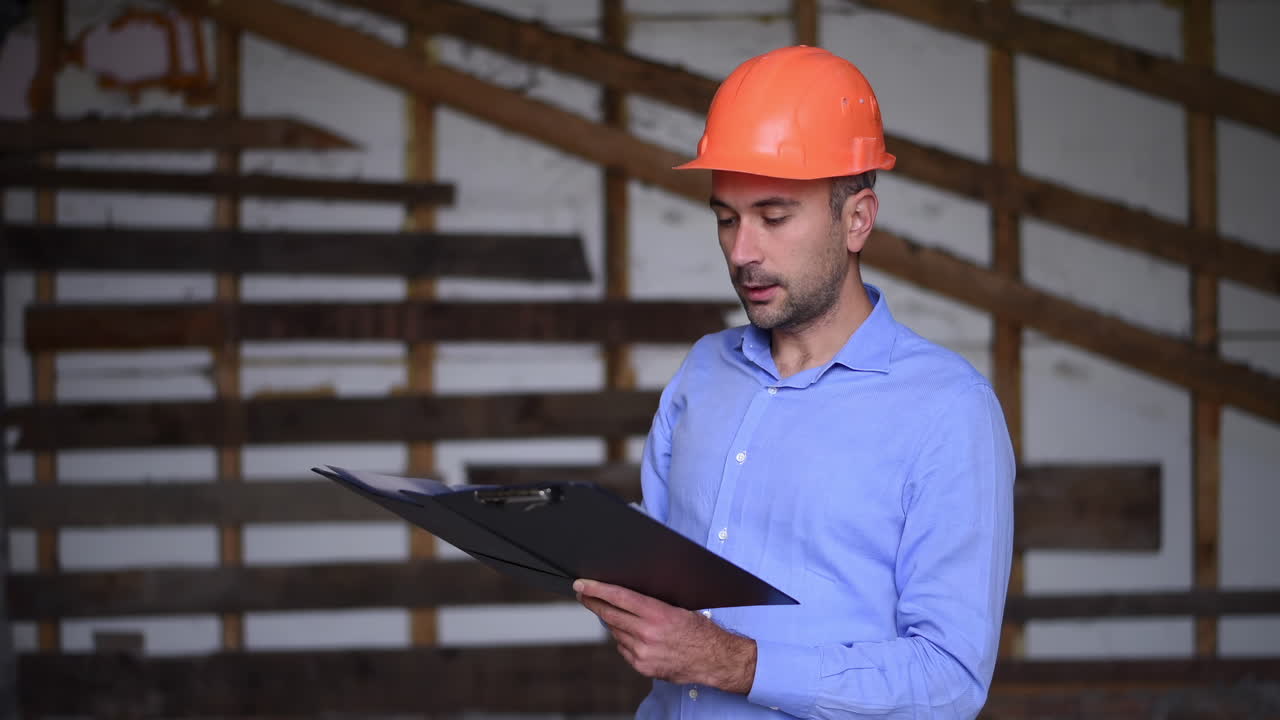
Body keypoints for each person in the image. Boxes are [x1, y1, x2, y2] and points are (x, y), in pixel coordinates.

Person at [574, 45, 1015, 718]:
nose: (743, 251)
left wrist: (736, 663)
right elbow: (658, 572)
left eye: (774, 217)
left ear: (857, 219)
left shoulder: (947, 411)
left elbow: (949, 680)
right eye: (726, 218)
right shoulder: (705, 371)